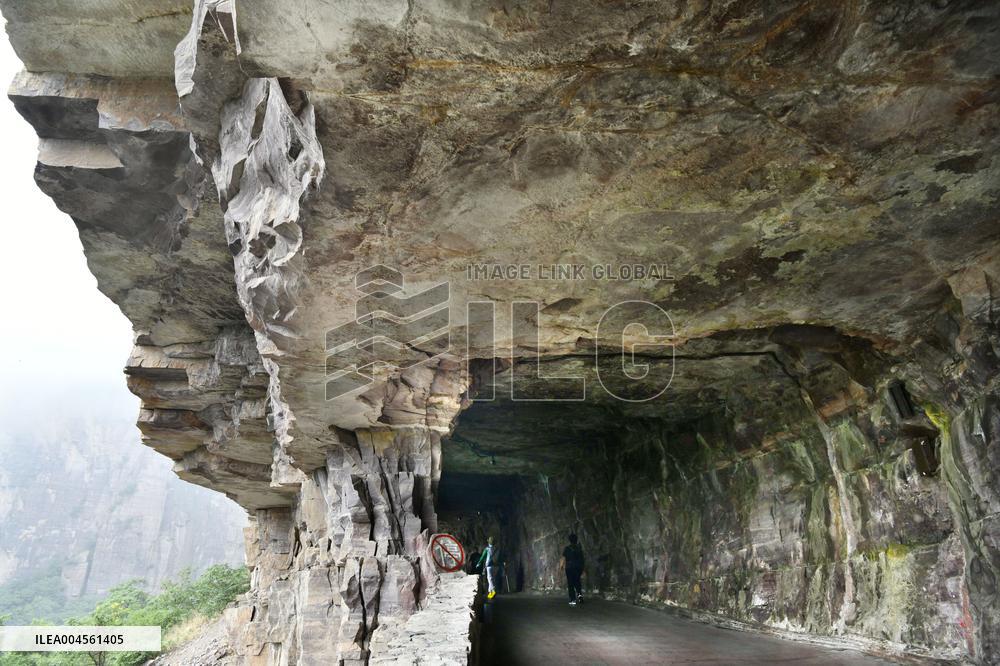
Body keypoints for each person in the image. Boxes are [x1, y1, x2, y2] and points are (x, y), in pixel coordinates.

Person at [562, 533, 584, 605]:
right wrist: (583, 569)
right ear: (576, 540)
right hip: (577, 568)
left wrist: (562, 566)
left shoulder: (567, 549)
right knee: (577, 582)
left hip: (569, 568)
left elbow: (564, 558)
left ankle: (572, 599)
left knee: (570, 583)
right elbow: (582, 559)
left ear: (570, 540)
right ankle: (580, 596)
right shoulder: (579, 549)